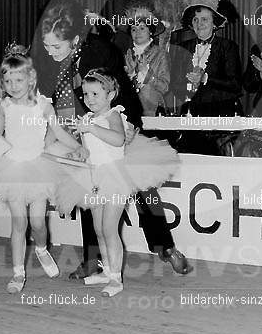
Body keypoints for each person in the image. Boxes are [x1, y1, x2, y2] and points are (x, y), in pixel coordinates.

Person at [31, 0, 192, 279]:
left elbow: (117, 92)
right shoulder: (57, 55)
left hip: (115, 124)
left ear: (76, 38)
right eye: (47, 45)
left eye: (56, 46)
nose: (50, 51)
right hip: (83, 129)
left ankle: (165, 247)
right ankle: (94, 260)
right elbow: (55, 94)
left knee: (141, 187)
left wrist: (121, 126)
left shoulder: (98, 51)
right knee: (89, 191)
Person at [0, 48, 86, 293]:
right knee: (19, 222)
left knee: (37, 222)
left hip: (38, 168)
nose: (13, 85)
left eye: (18, 80)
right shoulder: (5, 105)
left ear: (30, 79)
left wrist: (77, 147)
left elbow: (60, 132)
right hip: (11, 168)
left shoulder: (43, 106)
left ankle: (42, 249)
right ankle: (18, 273)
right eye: (8, 80)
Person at [55, 68, 179, 297]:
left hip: (115, 179)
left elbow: (117, 139)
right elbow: (88, 150)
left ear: (110, 95)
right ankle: (107, 270)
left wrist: (91, 127)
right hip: (94, 180)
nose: (89, 99)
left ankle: (116, 279)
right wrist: (78, 153)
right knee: (99, 229)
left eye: (95, 94)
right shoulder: (87, 119)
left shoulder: (113, 115)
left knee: (110, 229)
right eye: (85, 94)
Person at [169, 0, 243, 117]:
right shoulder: (182, 47)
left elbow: (235, 85)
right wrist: (188, 86)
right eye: (195, 20)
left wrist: (205, 79)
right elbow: (174, 83)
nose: (199, 24)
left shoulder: (228, 47)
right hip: (190, 111)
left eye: (204, 19)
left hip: (221, 112)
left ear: (214, 23)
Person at [122, 6, 170, 116]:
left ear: (151, 31)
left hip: (153, 108)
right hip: (129, 110)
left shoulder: (161, 54)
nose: (137, 32)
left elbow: (164, 87)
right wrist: (129, 75)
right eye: (134, 29)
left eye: (142, 28)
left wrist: (146, 74)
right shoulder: (127, 55)